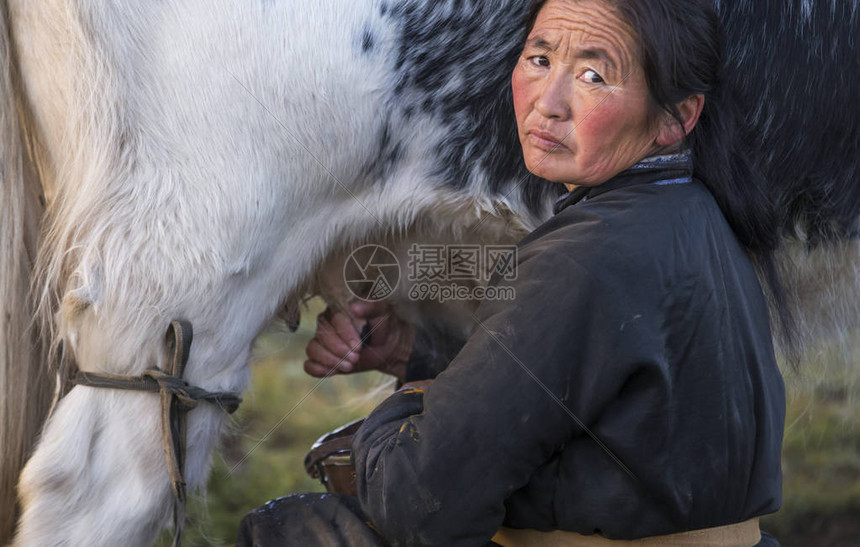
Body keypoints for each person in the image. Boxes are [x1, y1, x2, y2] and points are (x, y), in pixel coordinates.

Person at [238, 0, 787, 545]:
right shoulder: (694, 212)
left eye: (594, 76)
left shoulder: (591, 252)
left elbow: (423, 507)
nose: (548, 103)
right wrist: (413, 354)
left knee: (284, 533)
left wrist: (405, 407)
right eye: (540, 59)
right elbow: (599, 396)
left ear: (676, 117)